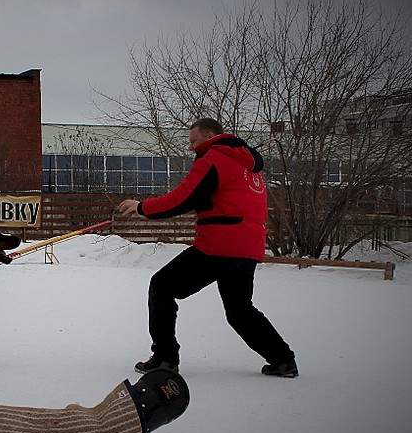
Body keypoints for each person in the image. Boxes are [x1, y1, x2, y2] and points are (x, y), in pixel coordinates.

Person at [117, 118, 297, 377]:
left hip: (219, 245)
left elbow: (183, 197)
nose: (191, 147)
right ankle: (283, 360)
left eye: (193, 140)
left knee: (162, 286)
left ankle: (165, 359)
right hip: (247, 247)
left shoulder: (214, 159)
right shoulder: (250, 167)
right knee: (239, 310)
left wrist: (142, 207)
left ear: (211, 136)